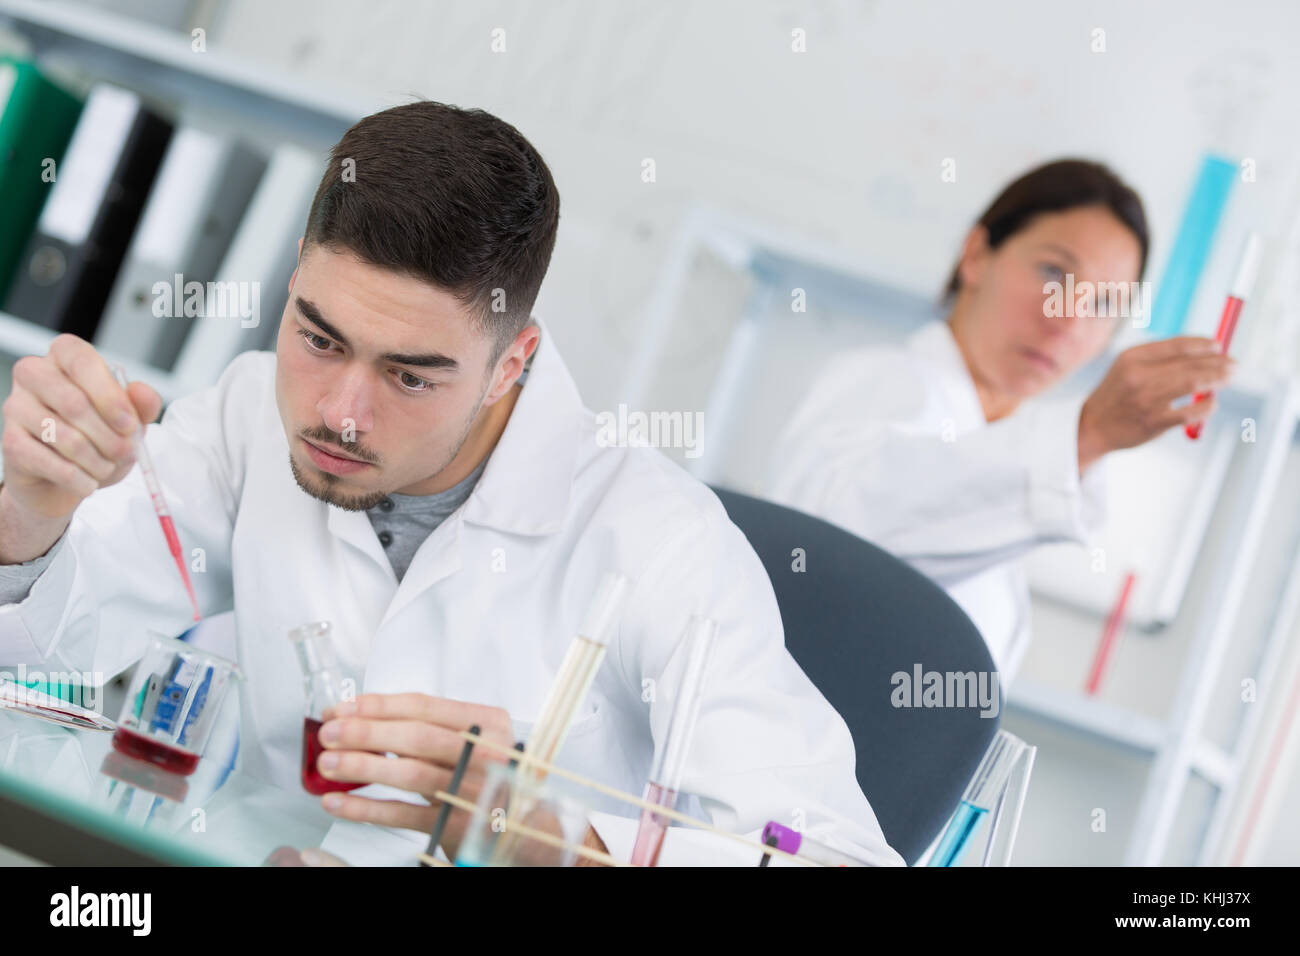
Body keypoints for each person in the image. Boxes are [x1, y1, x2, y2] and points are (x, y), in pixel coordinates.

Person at [0, 102, 902, 866]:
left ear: (513, 362)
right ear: (297, 278)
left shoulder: (661, 544)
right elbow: (37, 669)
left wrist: (558, 844)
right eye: (319, 338)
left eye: (409, 376)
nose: (340, 414)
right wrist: (28, 518)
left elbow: (836, 856)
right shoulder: (247, 418)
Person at [767, 160, 1236, 686]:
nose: (1068, 320)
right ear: (975, 255)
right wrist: (1085, 435)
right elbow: (833, 536)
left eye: (1105, 302)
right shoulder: (886, 381)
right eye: (1054, 273)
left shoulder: (998, 447)